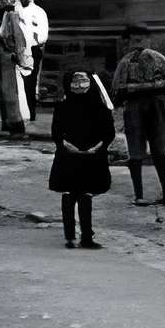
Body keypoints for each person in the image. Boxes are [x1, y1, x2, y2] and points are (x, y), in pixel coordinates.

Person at [111, 23, 165, 207]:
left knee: (153, 151)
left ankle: (154, 194)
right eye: (135, 40)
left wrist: (116, 104)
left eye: (139, 39)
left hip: (143, 107)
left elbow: (118, 90)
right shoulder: (151, 59)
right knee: (143, 151)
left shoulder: (130, 61)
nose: (137, 44)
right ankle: (160, 194)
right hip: (145, 106)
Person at [49, 68, 115, 249]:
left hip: (92, 157)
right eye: (75, 82)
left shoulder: (100, 107)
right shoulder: (62, 107)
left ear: (91, 83)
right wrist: (66, 145)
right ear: (68, 85)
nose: (79, 86)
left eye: (83, 81)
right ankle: (69, 235)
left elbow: (109, 132)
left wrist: (98, 146)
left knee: (86, 195)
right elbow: (56, 132)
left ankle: (86, 236)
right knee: (69, 195)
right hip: (68, 156)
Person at [0, 0, 33, 136]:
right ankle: (10, 122)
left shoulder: (14, 14)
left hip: (9, 55)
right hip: (5, 53)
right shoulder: (8, 14)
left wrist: (19, 56)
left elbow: (18, 38)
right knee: (6, 91)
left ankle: (16, 123)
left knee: (12, 91)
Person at [20, 0, 50, 107]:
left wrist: (35, 42)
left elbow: (43, 34)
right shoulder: (18, 12)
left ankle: (31, 107)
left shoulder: (39, 12)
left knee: (31, 81)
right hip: (21, 49)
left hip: (33, 49)